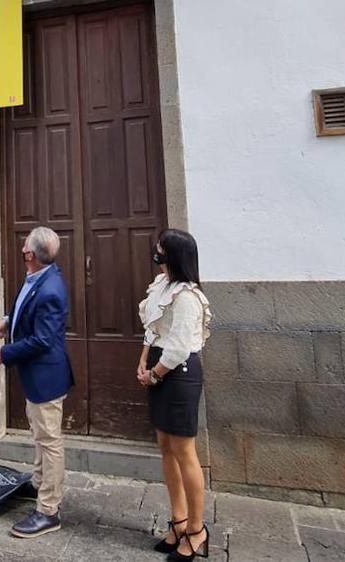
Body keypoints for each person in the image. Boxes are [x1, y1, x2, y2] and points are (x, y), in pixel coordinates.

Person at [0, 226, 74, 539]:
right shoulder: (38, 278)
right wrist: (7, 322)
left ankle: (49, 510)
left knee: (50, 441)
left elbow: (42, 339)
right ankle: (38, 483)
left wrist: (6, 353)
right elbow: (25, 306)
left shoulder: (51, 289)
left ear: (29, 255)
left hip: (46, 376)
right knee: (39, 434)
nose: (22, 248)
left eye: (25, 246)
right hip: (36, 375)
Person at [138, 229, 212, 561]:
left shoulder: (187, 297)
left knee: (184, 450)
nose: (156, 251)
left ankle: (197, 531)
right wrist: (143, 361)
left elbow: (180, 346)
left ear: (174, 254)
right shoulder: (161, 287)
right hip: (158, 367)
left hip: (177, 374)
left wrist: (155, 374)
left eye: (160, 248)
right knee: (165, 447)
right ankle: (179, 520)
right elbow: (152, 328)